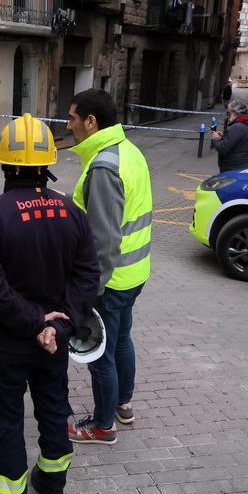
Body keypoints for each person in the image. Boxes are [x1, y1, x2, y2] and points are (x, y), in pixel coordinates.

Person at [0, 114, 100, 494]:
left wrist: (34, 323)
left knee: (6, 418)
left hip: (8, 340)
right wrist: (57, 328)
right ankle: (54, 486)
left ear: (3, 162)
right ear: (50, 160)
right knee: (53, 408)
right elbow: (87, 276)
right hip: (55, 341)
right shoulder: (71, 211)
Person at [66, 89, 153, 445]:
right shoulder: (128, 151)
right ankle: (122, 405)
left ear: (91, 122)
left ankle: (103, 427)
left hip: (110, 279)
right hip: (134, 273)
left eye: (72, 118)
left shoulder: (103, 165)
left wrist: (89, 290)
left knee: (101, 352)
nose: (68, 124)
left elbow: (103, 239)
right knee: (121, 341)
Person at [210, 99, 248, 172]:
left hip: (237, 168)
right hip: (242, 166)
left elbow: (223, 149)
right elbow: (239, 141)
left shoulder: (237, 127)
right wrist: (224, 136)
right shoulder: (244, 124)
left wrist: (216, 138)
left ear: (234, 113)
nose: (227, 116)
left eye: (228, 113)